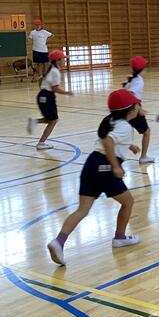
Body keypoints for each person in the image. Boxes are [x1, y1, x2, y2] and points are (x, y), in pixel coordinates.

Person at [46, 88, 142, 266]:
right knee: (128, 202)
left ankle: (58, 242)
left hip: (91, 164)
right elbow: (108, 141)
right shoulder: (125, 126)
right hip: (105, 168)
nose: (139, 106)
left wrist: (129, 146)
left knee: (82, 210)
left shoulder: (110, 120)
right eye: (137, 104)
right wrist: (115, 166)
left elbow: (110, 138)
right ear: (131, 109)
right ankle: (119, 237)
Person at [27, 49, 71, 150]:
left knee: (51, 119)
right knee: (53, 121)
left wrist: (43, 91)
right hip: (48, 97)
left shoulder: (50, 69)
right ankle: (41, 143)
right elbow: (55, 88)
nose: (64, 60)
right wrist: (67, 93)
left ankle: (34, 121)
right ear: (58, 60)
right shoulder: (55, 71)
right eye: (63, 59)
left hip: (42, 95)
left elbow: (40, 80)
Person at [123, 55, 154, 164]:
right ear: (142, 68)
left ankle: (128, 147)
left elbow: (126, 91)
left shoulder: (131, 78)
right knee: (147, 132)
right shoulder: (138, 80)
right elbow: (131, 94)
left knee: (125, 130)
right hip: (133, 109)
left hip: (127, 108)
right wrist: (138, 108)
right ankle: (143, 157)